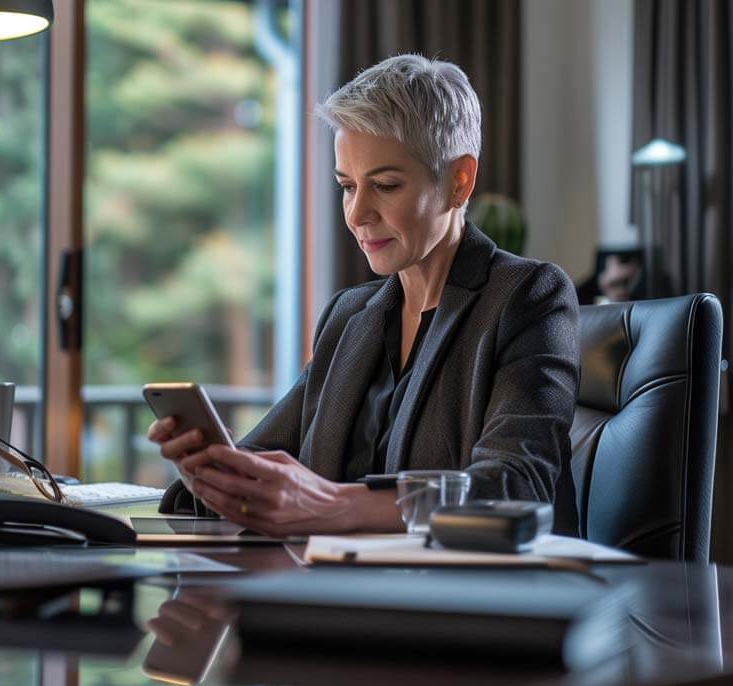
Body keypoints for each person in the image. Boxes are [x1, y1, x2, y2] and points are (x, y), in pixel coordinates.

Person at [148, 54, 580, 537]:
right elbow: (263, 458)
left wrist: (333, 503)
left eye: (386, 186)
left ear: (459, 180)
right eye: (347, 187)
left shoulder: (529, 297)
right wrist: (211, 471)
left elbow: (515, 485)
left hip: (465, 598)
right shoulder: (350, 315)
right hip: (342, 590)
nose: (357, 213)